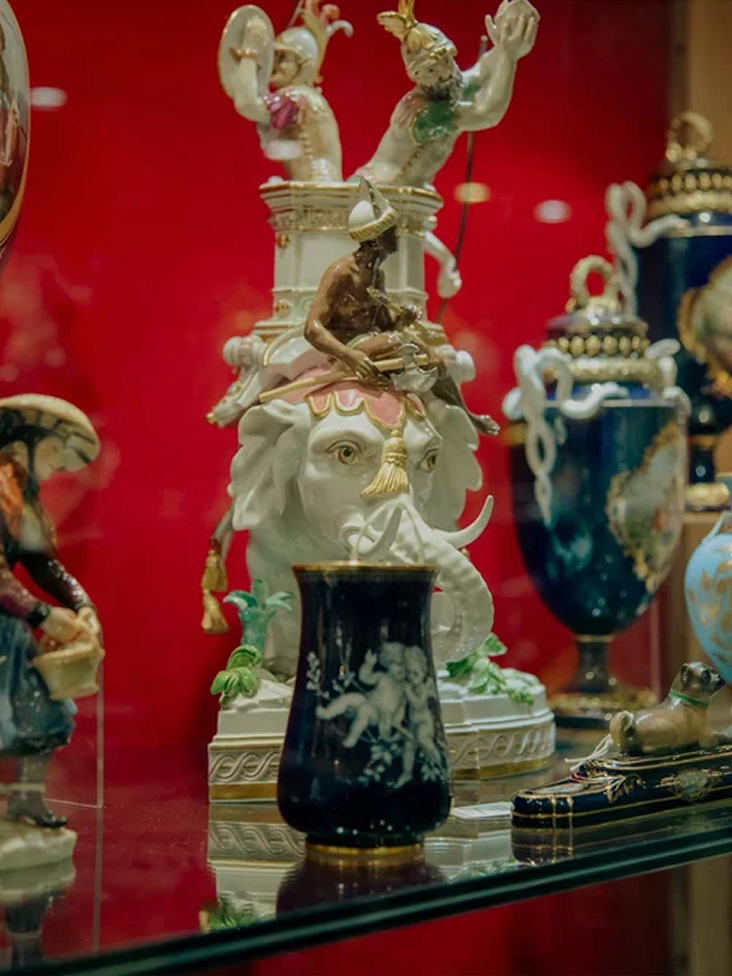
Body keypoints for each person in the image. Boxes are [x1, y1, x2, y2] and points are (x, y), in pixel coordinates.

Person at [303, 178, 499, 435]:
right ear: (374, 238)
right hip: (350, 350)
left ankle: (465, 413)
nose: (395, 237)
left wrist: (402, 318)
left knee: (433, 357)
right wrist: (349, 356)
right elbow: (312, 328)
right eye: (389, 232)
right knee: (401, 343)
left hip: (374, 342)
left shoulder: (377, 274)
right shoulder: (341, 273)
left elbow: (384, 324)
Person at [0, 394, 101, 828]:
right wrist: (44, 615)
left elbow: (43, 563)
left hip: (9, 628)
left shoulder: (24, 497)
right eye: (54, 451)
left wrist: (81, 604)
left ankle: (27, 799)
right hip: (10, 622)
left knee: (41, 704)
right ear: (26, 441)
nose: (59, 465)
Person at [357, 0, 538, 189]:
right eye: (430, 71)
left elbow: (480, 72)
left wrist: (504, 46)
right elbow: (487, 113)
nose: (443, 74)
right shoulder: (424, 114)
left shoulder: (447, 88)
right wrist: (507, 56)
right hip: (382, 192)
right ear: (416, 77)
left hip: (409, 194)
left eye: (445, 62)